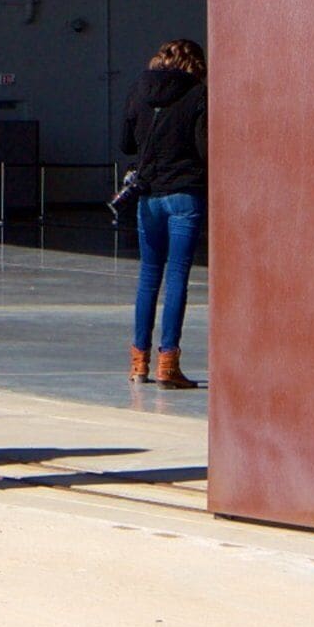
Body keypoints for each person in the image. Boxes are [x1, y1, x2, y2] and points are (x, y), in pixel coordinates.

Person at [122, 37, 208, 391]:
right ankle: (168, 363)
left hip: (149, 196)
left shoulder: (139, 90)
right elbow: (205, 149)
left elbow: (126, 144)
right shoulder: (199, 94)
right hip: (184, 195)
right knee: (176, 279)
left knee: (148, 278)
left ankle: (138, 362)